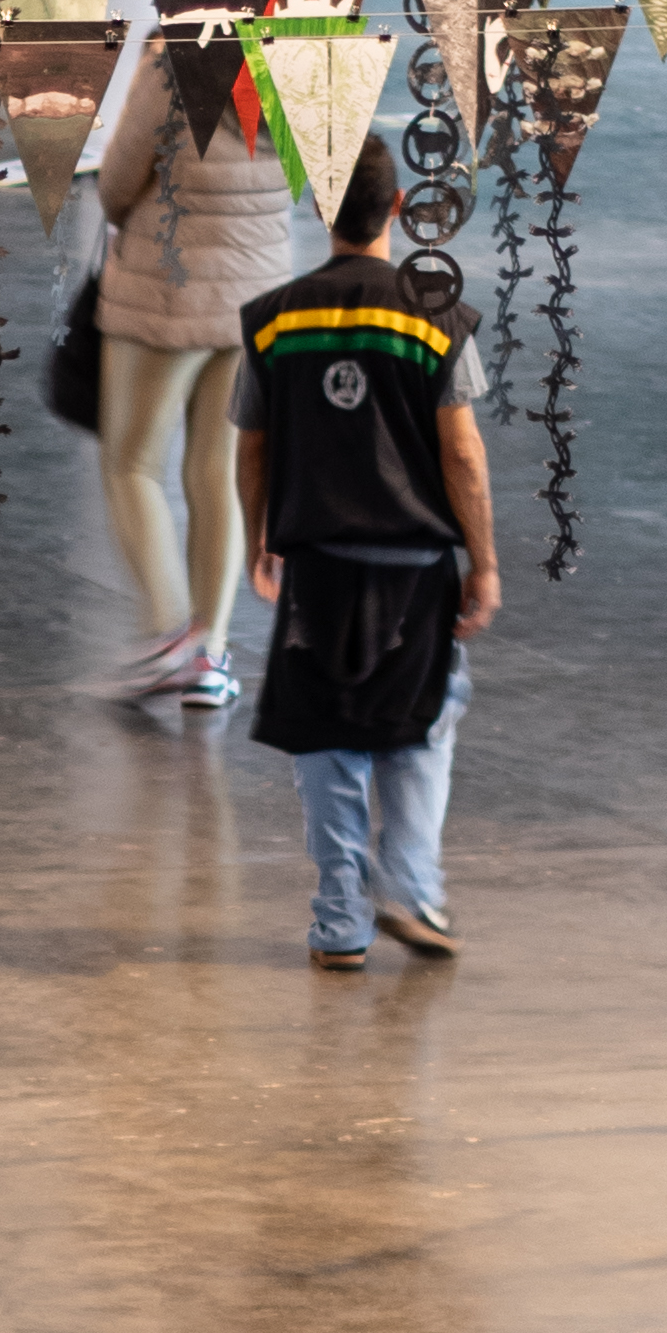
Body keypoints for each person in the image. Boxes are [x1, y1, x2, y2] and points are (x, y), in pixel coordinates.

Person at [236, 134, 500, 968]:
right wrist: (484, 563)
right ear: (397, 208)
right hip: (415, 574)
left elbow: (252, 444)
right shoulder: (436, 313)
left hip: (317, 570)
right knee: (420, 728)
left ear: (321, 207)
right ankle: (414, 894)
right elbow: (461, 453)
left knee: (327, 738)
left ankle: (340, 923)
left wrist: (260, 540)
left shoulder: (275, 318)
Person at [87, 29, 291, 708]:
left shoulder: (177, 50)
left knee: (131, 464)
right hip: (258, 288)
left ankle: (172, 636)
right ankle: (212, 657)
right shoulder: (308, 50)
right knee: (218, 471)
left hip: (166, 287)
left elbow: (119, 178)